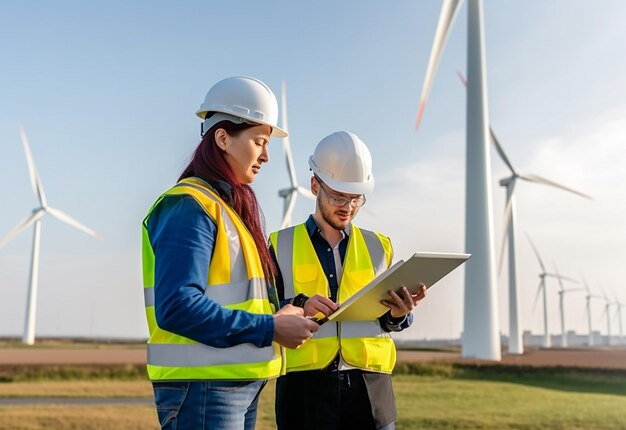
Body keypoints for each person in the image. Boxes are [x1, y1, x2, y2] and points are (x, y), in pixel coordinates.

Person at [141, 76, 319, 430]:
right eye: (259, 141)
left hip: (231, 385)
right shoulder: (189, 207)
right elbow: (177, 307)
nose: (267, 156)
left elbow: (239, 298)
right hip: (204, 389)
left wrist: (293, 307)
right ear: (222, 138)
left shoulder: (227, 210)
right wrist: (271, 327)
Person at [269, 131, 428, 430]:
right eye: (338, 196)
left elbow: (388, 321)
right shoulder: (280, 244)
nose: (348, 207)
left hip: (371, 388)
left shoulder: (379, 246)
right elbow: (265, 311)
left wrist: (399, 313)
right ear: (315, 185)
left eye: (356, 199)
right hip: (304, 389)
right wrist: (301, 305)